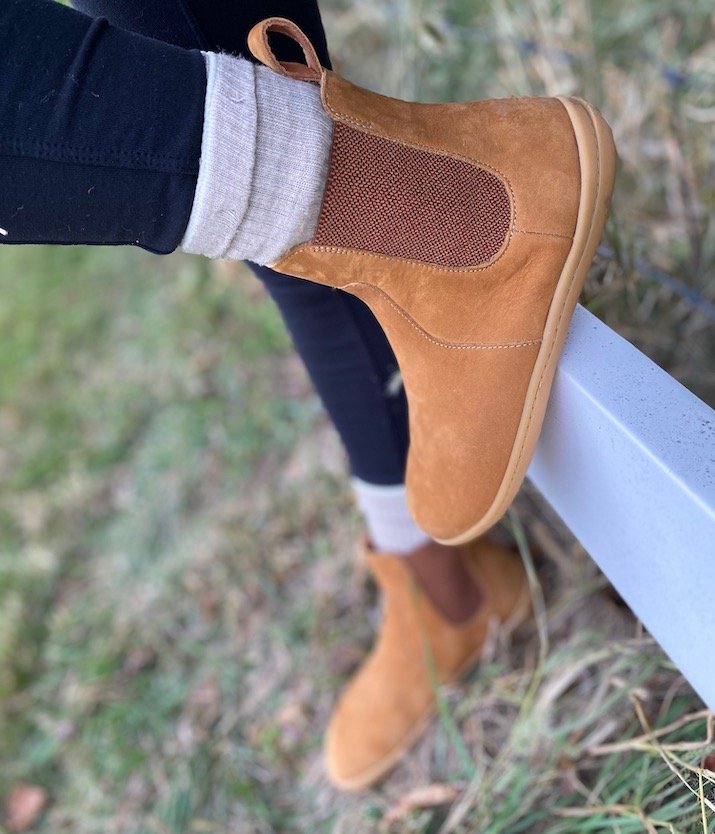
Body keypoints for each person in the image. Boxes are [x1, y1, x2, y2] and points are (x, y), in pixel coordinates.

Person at [0, 0, 614, 790]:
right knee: (254, 122)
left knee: (295, 176)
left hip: (478, 212)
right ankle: (441, 581)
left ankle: (476, 216)